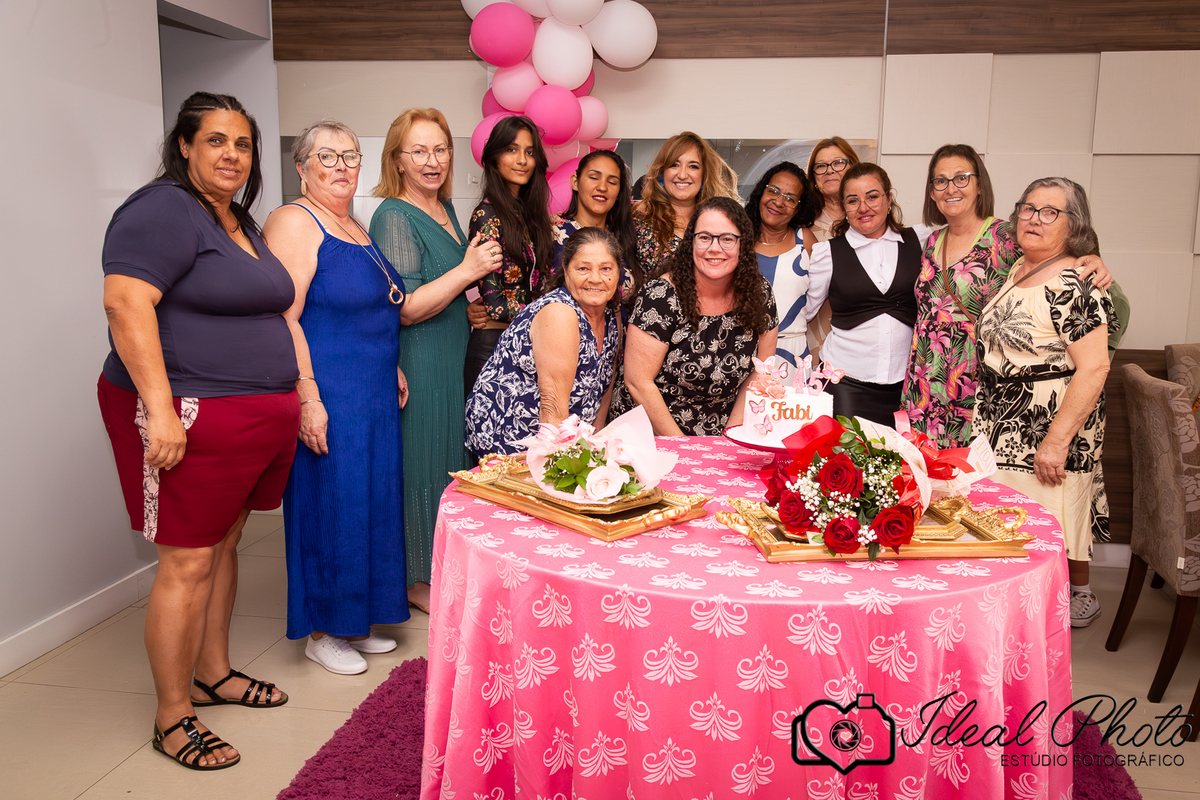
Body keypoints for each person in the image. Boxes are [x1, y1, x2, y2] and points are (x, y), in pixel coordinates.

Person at [98, 92, 296, 771]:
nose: (231, 155)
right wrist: (159, 409)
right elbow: (126, 303)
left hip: (252, 418)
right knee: (186, 560)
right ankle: (172, 714)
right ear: (184, 146)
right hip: (187, 412)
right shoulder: (163, 208)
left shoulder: (236, 218)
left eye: (242, 144)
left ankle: (212, 673)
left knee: (224, 545)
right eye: (215, 140)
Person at [264, 119, 412, 676]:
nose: (341, 166)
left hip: (373, 389)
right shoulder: (294, 221)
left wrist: (391, 362)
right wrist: (309, 398)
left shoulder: (354, 223)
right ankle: (323, 630)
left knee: (371, 504)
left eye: (350, 155)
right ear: (301, 167)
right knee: (332, 504)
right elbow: (284, 317)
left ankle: (357, 619)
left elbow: (367, 307)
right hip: (330, 389)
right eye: (327, 156)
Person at [368, 108, 503, 615]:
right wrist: (468, 271)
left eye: (440, 149)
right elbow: (403, 307)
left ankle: (441, 566)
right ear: (397, 160)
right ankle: (414, 579)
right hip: (420, 358)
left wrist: (468, 305)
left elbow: (438, 289)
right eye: (419, 151)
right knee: (422, 465)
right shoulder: (394, 216)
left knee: (447, 461)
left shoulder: (443, 207)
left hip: (452, 354)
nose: (432, 160)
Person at [901, 145, 1113, 448]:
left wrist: (1092, 260)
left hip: (977, 384)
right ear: (932, 192)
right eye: (940, 181)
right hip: (925, 382)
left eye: (961, 178)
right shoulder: (932, 241)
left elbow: (1059, 256)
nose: (951, 188)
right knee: (923, 472)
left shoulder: (1006, 236)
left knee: (971, 474)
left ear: (979, 186)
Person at [973, 177, 1116, 628]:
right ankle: (1012, 622)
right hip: (1002, 430)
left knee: (1044, 537)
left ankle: (1043, 630)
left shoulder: (1076, 283)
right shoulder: (1019, 267)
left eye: (1050, 212)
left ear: (1074, 224)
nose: (1034, 218)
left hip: (1045, 431)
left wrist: (1055, 442)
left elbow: (1094, 367)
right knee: (1011, 537)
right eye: (1028, 208)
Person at [614, 196, 779, 435]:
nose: (714, 248)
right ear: (691, 242)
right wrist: (686, 447)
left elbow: (760, 371)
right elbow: (638, 382)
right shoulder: (660, 297)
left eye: (727, 239)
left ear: (743, 245)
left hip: (721, 433)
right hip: (650, 432)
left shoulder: (759, 293)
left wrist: (730, 437)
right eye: (704, 238)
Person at [465, 228, 622, 457]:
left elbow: (603, 386)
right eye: (583, 268)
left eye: (606, 268)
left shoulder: (609, 314)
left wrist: (594, 448)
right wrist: (563, 470)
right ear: (566, 269)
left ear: (618, 271)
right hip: (515, 441)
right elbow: (552, 411)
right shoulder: (559, 313)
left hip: (568, 443)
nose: (596, 278)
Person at [806, 162, 923, 427]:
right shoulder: (828, 253)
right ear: (844, 208)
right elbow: (804, 312)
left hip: (908, 385)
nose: (863, 207)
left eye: (872, 197)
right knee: (845, 454)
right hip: (845, 382)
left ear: (889, 199)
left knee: (904, 455)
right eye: (852, 200)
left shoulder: (920, 240)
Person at [463, 116, 555, 398]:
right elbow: (495, 306)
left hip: (528, 343)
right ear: (494, 157)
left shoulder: (530, 215)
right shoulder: (487, 215)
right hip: (493, 348)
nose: (522, 160)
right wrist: (552, 313)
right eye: (511, 150)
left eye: (530, 152)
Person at [632, 132, 739, 278]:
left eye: (693, 166)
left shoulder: (723, 221)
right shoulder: (640, 220)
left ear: (704, 175)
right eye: (674, 165)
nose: (682, 175)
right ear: (662, 172)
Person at [744, 161, 818, 366]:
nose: (778, 202)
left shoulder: (805, 241)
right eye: (773, 191)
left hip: (792, 355)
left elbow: (820, 297)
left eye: (790, 199)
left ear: (798, 209)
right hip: (742, 351)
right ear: (761, 192)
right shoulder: (738, 239)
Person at [551, 150, 640, 302]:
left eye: (612, 182)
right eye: (594, 177)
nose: (602, 187)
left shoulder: (627, 237)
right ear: (575, 182)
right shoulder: (552, 233)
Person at [806, 136, 862, 359]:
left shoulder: (872, 222)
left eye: (838, 163)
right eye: (821, 166)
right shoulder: (802, 228)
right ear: (814, 178)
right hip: (814, 334)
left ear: (852, 167)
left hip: (865, 337)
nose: (829, 170)